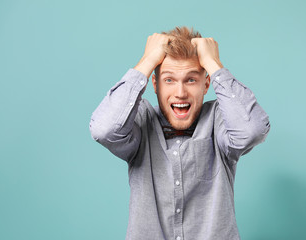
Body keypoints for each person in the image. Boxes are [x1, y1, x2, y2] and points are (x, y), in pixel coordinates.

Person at [89, 26, 270, 240]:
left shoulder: (219, 120)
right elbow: (103, 129)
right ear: (155, 85)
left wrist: (214, 65)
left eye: (191, 80)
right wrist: (147, 61)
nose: (180, 93)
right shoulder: (141, 120)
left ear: (206, 84)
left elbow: (253, 130)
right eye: (169, 80)